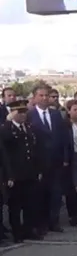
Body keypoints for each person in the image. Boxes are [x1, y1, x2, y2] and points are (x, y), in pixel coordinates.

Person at [27, 84, 68, 233]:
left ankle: (54, 221)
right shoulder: (29, 115)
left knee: (56, 193)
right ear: (34, 98)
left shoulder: (56, 114)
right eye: (41, 95)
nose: (44, 98)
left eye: (46, 95)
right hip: (39, 162)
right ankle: (41, 223)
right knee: (41, 194)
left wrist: (65, 156)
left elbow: (64, 137)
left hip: (56, 160)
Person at [1, 100, 39, 243]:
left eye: (24, 112)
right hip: (16, 175)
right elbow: (6, 151)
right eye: (20, 112)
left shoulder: (28, 127)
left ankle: (28, 230)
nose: (23, 115)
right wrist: (9, 175)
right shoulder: (7, 129)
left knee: (29, 204)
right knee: (15, 206)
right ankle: (17, 232)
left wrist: (37, 169)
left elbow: (33, 150)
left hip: (29, 173)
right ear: (13, 113)